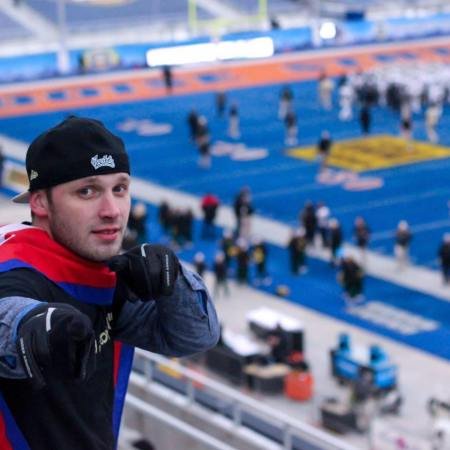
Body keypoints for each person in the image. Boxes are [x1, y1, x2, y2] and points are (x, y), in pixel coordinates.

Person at [0, 116, 219, 450]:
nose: (112, 210)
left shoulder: (98, 271)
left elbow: (193, 336)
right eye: (87, 191)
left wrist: (173, 282)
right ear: (40, 202)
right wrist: (31, 328)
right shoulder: (15, 267)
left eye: (120, 189)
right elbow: (10, 311)